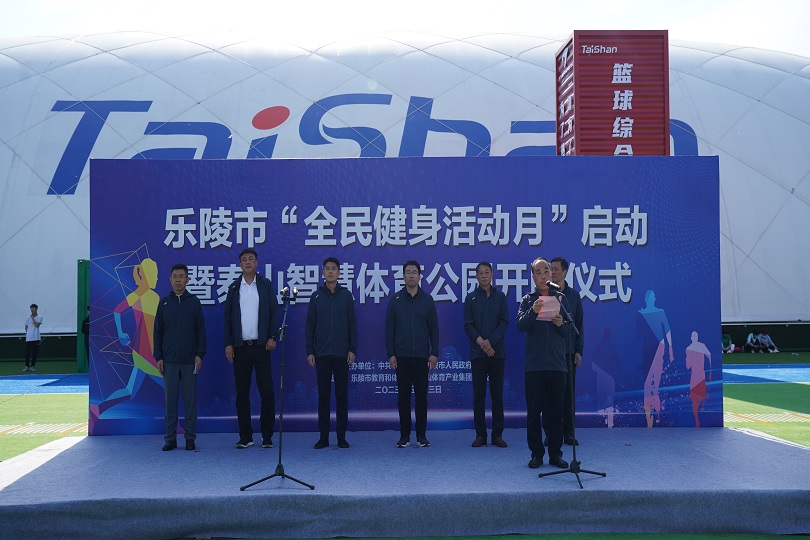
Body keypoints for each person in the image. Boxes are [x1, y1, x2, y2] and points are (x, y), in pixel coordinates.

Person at [224, 248, 279, 449]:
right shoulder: (233, 288)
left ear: (256, 263)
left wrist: (272, 337)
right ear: (240, 264)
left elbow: (274, 312)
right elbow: (227, 318)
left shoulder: (265, 285)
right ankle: (246, 436)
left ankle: (267, 436)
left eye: (251, 259)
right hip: (240, 348)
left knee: (267, 392)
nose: (247, 262)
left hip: (261, 346)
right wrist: (228, 343)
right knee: (242, 394)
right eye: (244, 259)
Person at [516, 257, 568, 470]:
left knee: (555, 414)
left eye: (546, 270)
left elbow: (569, 332)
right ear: (533, 277)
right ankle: (537, 454)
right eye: (539, 272)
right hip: (535, 366)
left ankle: (555, 454)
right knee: (533, 414)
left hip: (556, 365)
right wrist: (533, 312)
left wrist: (561, 324)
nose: (544, 275)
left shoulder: (561, 298)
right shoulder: (528, 300)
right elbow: (520, 325)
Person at [306, 257, 358, 449]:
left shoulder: (346, 296)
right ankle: (324, 437)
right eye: (327, 268)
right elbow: (309, 327)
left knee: (342, 396)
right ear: (323, 273)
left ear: (339, 273)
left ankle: (341, 437)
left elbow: (353, 325)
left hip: (341, 354)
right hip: (321, 354)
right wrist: (310, 351)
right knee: (324, 397)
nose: (330, 271)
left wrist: (352, 349)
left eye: (333, 268)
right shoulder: (316, 297)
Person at [386, 260, 439, 448]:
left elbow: (434, 328)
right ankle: (404, 436)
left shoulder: (427, 300)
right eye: (408, 272)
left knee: (422, 398)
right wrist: (391, 354)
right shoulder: (395, 300)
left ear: (419, 276)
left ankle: (421, 436)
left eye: (414, 272)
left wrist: (434, 353)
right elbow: (389, 330)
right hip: (401, 356)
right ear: (403, 276)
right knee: (403, 398)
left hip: (422, 357)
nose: (411, 275)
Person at [154, 264, 206, 451]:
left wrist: (199, 354)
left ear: (187, 280)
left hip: (189, 360)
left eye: (181, 276)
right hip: (169, 361)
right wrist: (159, 356)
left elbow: (200, 331)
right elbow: (157, 332)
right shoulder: (164, 303)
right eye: (175, 276)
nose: (178, 279)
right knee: (170, 403)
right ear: (170, 279)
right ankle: (170, 439)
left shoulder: (194, 302)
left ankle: (190, 438)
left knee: (190, 402)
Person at [463, 261, 509, 448]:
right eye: (480, 273)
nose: (484, 275)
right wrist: (482, 343)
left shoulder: (500, 297)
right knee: (479, 396)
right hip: (478, 354)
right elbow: (468, 325)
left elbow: (504, 322)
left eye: (487, 272)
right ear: (476, 276)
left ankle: (497, 435)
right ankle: (480, 434)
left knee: (497, 396)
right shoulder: (470, 298)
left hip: (497, 353)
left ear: (492, 274)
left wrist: (491, 342)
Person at [550, 257, 584, 446]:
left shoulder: (574, 296)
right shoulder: (546, 293)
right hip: (550, 352)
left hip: (568, 351)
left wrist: (579, 350)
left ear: (564, 272)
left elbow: (579, 324)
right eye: (550, 269)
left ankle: (568, 433)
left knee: (568, 395)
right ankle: (551, 433)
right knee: (551, 395)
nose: (552, 272)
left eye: (556, 269)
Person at [638, 290, 673, 427]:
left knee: (656, 381)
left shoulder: (660, 312)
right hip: (647, 350)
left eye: (654, 296)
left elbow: (667, 330)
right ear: (647, 299)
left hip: (659, 349)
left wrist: (670, 349)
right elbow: (638, 335)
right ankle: (648, 416)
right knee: (647, 382)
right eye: (652, 296)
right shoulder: (641, 314)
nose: (654, 298)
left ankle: (656, 413)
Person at [685, 331, 711, 428]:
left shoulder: (689, 348)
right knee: (699, 397)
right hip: (699, 376)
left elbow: (687, 366)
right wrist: (710, 371)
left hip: (697, 377)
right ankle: (697, 420)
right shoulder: (699, 347)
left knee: (696, 399)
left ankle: (697, 419)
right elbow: (709, 356)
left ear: (692, 338)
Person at [23, 304, 43, 372]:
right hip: (29, 338)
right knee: (27, 353)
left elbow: (37, 325)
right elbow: (26, 327)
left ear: (36, 309)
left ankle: (32, 366)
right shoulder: (27, 317)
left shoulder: (40, 317)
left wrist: (32, 318)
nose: (32, 309)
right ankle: (26, 366)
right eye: (31, 308)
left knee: (35, 353)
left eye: (33, 308)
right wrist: (29, 334)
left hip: (36, 338)